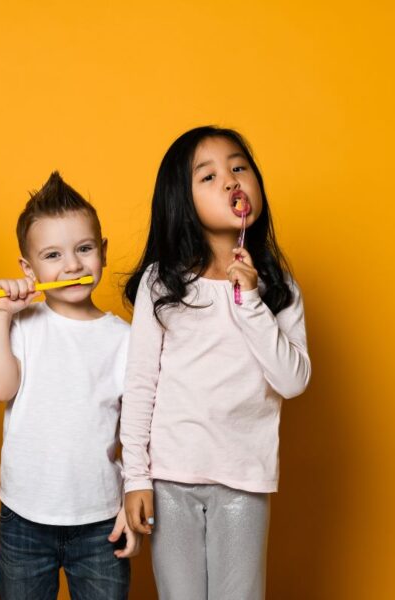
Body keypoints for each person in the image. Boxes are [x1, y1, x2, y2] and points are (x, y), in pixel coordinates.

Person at [121, 126, 311, 599]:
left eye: (239, 167)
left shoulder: (278, 287)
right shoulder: (160, 285)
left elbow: (293, 380)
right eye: (208, 176)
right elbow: (140, 384)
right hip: (171, 477)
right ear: (181, 201)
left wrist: (249, 299)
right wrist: (136, 478)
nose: (230, 181)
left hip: (243, 477)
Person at [0, 171, 138, 600]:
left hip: (101, 521)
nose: (72, 265)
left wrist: (132, 500)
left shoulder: (124, 339)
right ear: (28, 268)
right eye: (53, 255)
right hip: (24, 518)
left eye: (84, 249)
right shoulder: (22, 323)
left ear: (102, 252)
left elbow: (140, 431)